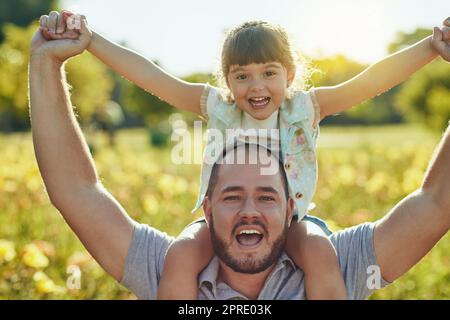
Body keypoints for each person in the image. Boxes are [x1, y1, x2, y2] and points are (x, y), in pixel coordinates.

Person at [31, 11, 450, 300]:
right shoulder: (218, 108)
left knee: (321, 254)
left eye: (269, 73)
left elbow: (371, 81)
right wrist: (90, 43)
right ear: (227, 80)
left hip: (301, 223)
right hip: (208, 231)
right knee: (180, 256)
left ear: (290, 74)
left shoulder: (305, 109)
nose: (257, 86)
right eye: (242, 75)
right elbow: (150, 76)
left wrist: (431, 47)